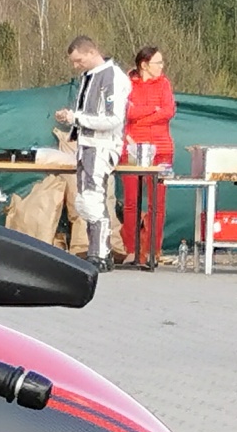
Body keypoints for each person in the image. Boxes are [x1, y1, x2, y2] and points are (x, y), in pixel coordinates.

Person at [55, 36, 128, 267]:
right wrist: (72, 119)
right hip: (86, 145)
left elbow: (113, 118)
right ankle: (98, 250)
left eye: (79, 60)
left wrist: (76, 118)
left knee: (94, 199)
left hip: (102, 145)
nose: (76, 65)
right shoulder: (90, 76)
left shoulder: (112, 76)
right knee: (86, 201)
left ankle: (100, 253)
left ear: (91, 53)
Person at [121, 47, 176, 269]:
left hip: (161, 149)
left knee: (158, 204)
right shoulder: (127, 84)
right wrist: (152, 109)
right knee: (131, 202)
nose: (162, 67)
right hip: (133, 149)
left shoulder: (164, 84)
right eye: (157, 63)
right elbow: (127, 112)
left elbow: (168, 111)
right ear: (144, 65)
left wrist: (141, 118)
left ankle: (153, 249)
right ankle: (131, 249)